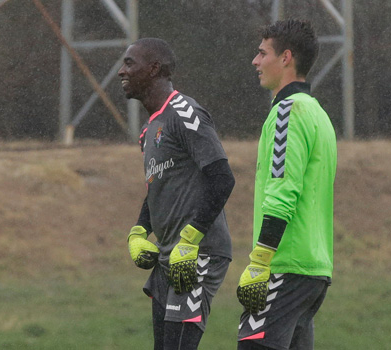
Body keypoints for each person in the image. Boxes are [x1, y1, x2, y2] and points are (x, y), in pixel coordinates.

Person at [118, 38, 235, 350]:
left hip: (199, 253)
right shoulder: (148, 131)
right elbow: (157, 186)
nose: (121, 71)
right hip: (168, 258)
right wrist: (140, 230)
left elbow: (222, 179)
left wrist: (191, 239)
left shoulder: (184, 112)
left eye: (130, 63)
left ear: (154, 68)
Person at [236, 19, 337, 350]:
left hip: (283, 267)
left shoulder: (287, 113)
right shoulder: (318, 114)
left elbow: (283, 191)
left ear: (286, 58)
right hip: (314, 270)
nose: (255, 61)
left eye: (262, 53)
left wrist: (260, 260)